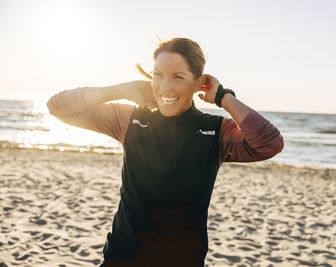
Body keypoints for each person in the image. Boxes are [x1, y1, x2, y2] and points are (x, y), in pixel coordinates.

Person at [47, 37, 284, 267]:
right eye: (157, 75)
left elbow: (269, 143)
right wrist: (122, 89)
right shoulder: (130, 119)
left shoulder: (216, 130)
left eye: (177, 77)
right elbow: (58, 107)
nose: (164, 86)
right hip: (122, 258)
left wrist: (223, 97)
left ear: (199, 83)